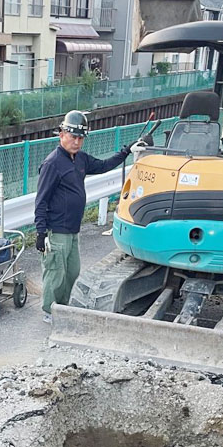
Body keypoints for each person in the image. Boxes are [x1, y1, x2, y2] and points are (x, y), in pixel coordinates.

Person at [35, 111, 133, 323]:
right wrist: (40, 232)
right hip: (57, 229)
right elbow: (41, 200)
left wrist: (126, 152)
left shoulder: (80, 158)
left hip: (73, 229)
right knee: (55, 273)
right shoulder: (52, 163)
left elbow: (103, 165)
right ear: (62, 134)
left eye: (81, 138)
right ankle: (50, 310)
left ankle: (62, 306)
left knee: (72, 271)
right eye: (73, 137)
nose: (77, 142)